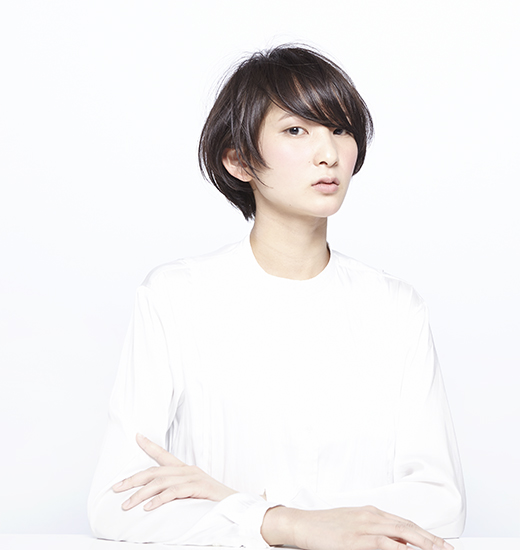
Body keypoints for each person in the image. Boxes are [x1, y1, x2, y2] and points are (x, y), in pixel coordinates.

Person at [88, 45, 465, 550]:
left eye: (341, 129)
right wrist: (283, 523)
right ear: (238, 159)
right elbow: (116, 503)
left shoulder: (395, 307)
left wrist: (240, 504)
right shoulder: (178, 296)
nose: (329, 153)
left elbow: (442, 504)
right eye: (296, 130)